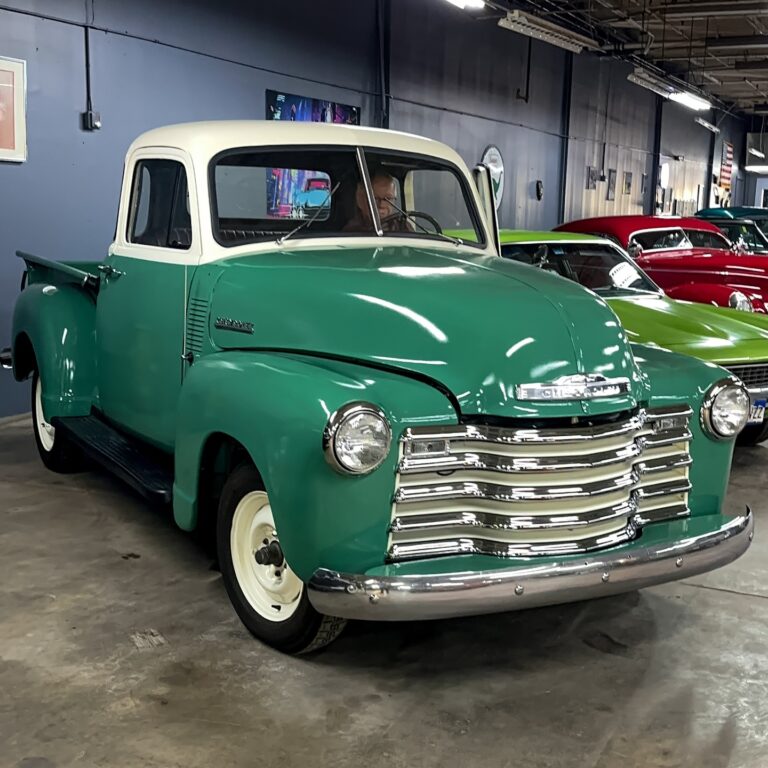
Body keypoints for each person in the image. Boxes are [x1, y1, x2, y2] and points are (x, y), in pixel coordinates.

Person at [343, 172, 415, 233]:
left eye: (388, 198)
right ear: (360, 200)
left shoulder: (403, 227)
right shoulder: (351, 231)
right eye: (375, 198)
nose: (382, 205)